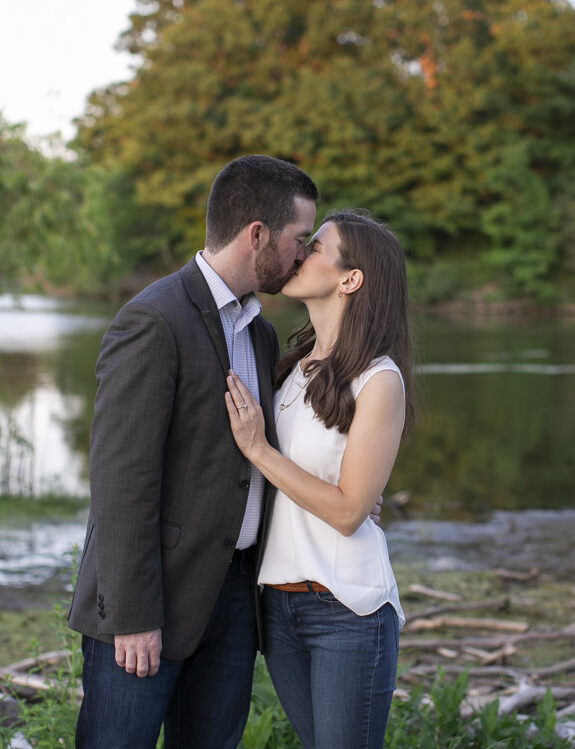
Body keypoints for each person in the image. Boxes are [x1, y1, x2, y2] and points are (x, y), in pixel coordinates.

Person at [67, 154, 318, 749]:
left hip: (233, 597)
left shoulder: (258, 330)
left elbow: (251, 460)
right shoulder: (154, 320)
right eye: (298, 239)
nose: (303, 255)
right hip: (152, 593)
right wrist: (132, 614)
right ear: (256, 234)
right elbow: (121, 481)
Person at [224, 208, 416, 749]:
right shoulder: (289, 368)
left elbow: (348, 512)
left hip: (346, 611)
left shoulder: (379, 380)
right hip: (277, 607)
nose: (301, 252)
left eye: (317, 247)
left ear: (350, 279)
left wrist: (259, 450)